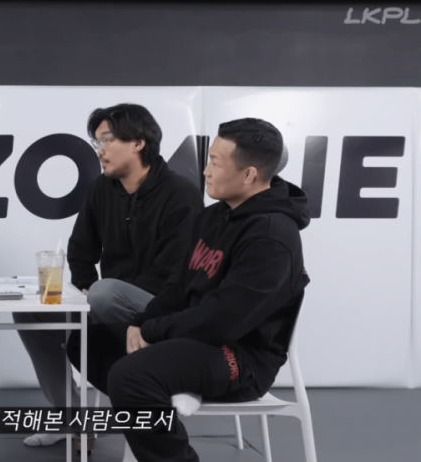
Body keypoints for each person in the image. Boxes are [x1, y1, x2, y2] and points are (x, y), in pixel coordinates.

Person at [68, 117, 310, 462]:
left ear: (249, 174)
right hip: (198, 339)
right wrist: (141, 323)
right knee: (87, 343)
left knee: (130, 376)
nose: (206, 171)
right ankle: (170, 391)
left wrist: (152, 332)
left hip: (239, 358)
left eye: (215, 163)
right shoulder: (213, 218)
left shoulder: (272, 236)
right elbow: (178, 287)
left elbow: (224, 319)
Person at [13, 103, 203, 449]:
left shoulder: (180, 194)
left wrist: (98, 294)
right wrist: (85, 289)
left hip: (163, 309)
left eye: (106, 140)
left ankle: (163, 382)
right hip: (106, 302)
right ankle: (71, 419)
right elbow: (80, 250)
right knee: (32, 312)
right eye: (96, 141)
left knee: (104, 293)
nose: (99, 150)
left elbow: (175, 275)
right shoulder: (102, 189)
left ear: (138, 142)